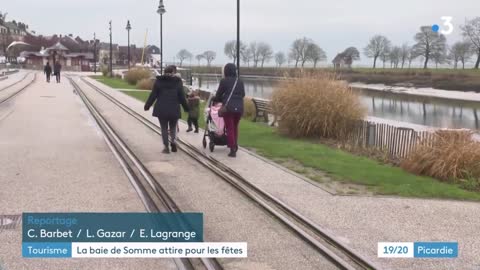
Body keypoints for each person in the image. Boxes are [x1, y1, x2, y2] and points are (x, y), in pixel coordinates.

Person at [144, 65, 189, 154]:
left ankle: (166, 147)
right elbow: (182, 97)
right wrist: (186, 108)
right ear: (173, 72)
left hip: (161, 108)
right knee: (173, 127)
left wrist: (147, 106)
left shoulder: (158, 81)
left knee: (164, 128)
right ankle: (173, 141)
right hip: (174, 108)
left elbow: (153, 95)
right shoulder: (178, 82)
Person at [214, 63, 245, 158]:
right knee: (235, 127)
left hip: (228, 108)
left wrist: (217, 100)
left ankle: (232, 149)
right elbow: (243, 94)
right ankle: (235, 144)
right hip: (239, 108)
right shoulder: (240, 81)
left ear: (226, 71)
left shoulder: (224, 81)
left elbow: (219, 94)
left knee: (229, 128)